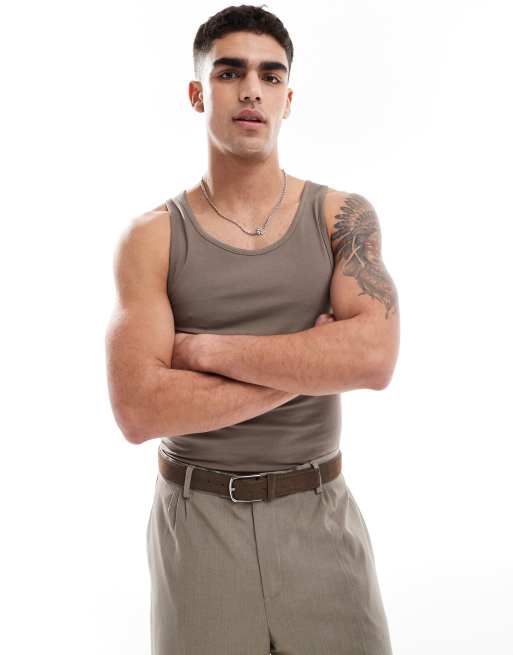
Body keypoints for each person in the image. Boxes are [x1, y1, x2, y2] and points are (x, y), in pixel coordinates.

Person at [105, 4, 400, 654]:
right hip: (198, 525)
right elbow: (139, 409)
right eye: (229, 72)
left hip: (319, 517)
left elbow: (374, 357)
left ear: (288, 99)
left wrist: (207, 351)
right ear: (196, 93)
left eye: (270, 76)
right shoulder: (153, 237)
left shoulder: (340, 216)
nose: (251, 91)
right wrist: (309, 364)